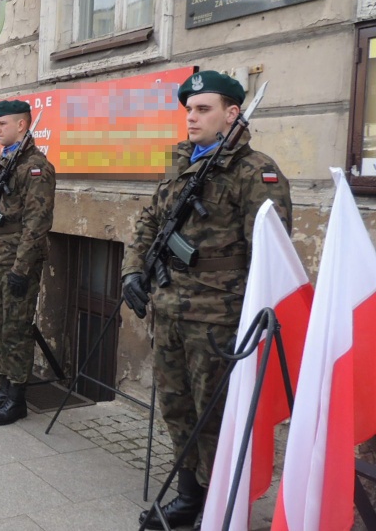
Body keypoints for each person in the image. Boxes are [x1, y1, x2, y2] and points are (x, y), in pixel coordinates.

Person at [120, 71, 292, 530]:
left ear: (232, 113)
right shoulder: (181, 163)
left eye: (203, 109)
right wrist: (133, 270)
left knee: (215, 417)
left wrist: (250, 323)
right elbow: (148, 222)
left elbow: (270, 256)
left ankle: (221, 507)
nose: (191, 118)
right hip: (171, 309)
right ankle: (189, 495)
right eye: (188, 110)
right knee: (178, 409)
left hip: (219, 319)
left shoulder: (257, 172)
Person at [0, 100, 55, 426]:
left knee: (17, 330)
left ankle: (17, 397)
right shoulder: (5, 162)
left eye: (2, 124)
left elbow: (37, 223)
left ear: (21, 125)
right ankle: (4, 387)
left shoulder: (36, 167)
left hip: (17, 260)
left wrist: (22, 268)